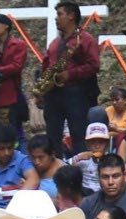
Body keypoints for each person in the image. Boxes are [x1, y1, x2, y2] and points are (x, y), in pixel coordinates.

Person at [38, 3, 98, 154]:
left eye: (59, 14)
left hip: (76, 93)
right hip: (52, 94)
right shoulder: (54, 43)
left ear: (71, 15)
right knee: (52, 137)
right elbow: (46, 66)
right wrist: (41, 90)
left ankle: (81, 172)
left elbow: (93, 65)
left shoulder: (85, 39)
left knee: (79, 135)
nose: (56, 18)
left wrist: (69, 74)